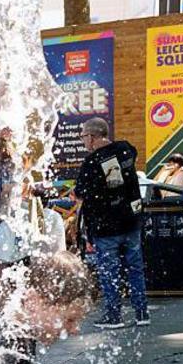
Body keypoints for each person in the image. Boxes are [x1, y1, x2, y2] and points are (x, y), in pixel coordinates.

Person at [73, 117, 148, 329]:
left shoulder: (91, 163)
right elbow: (117, 177)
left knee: (109, 271)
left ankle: (114, 315)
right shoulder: (125, 149)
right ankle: (142, 313)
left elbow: (80, 194)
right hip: (131, 220)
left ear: (92, 136)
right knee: (135, 268)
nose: (83, 142)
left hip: (107, 226)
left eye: (83, 137)